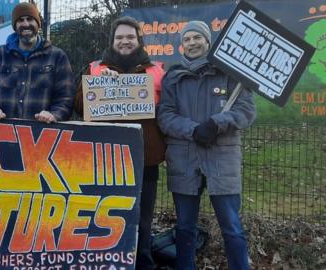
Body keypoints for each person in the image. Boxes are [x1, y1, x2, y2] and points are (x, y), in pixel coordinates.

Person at [157, 21, 255, 270]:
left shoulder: (230, 73)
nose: (192, 43)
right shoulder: (173, 78)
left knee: (231, 227)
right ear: (181, 45)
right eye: (187, 39)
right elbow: (165, 116)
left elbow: (245, 111)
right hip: (184, 158)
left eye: (197, 38)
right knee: (185, 227)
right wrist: (194, 130)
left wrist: (217, 123)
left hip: (222, 159)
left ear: (208, 42)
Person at [73, 16, 165, 270]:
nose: (125, 42)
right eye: (120, 37)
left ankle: (142, 262)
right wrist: (101, 85)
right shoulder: (95, 68)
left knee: (143, 218)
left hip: (145, 159)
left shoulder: (156, 70)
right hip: (105, 158)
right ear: (112, 41)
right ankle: (107, 261)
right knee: (106, 215)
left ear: (139, 40)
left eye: (130, 37)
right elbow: (79, 106)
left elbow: (167, 110)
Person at [0, 2, 74, 123]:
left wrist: (54, 114)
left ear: (38, 23)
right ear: (15, 26)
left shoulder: (57, 57)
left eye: (30, 19)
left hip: (43, 133)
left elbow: (66, 97)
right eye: (20, 20)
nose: (25, 24)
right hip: (3, 132)